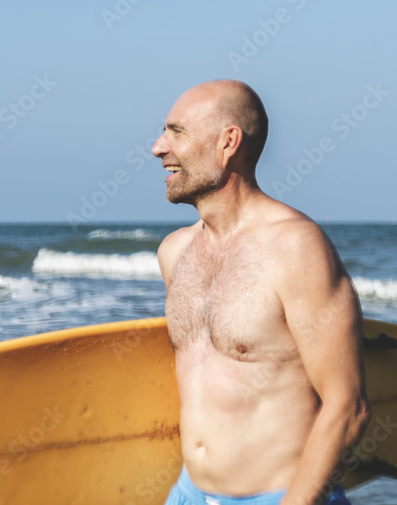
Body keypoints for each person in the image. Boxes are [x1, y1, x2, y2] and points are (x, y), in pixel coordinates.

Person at [151, 80, 370, 505]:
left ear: (228, 142)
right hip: (188, 493)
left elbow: (349, 407)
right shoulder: (174, 253)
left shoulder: (296, 248)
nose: (158, 147)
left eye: (176, 132)